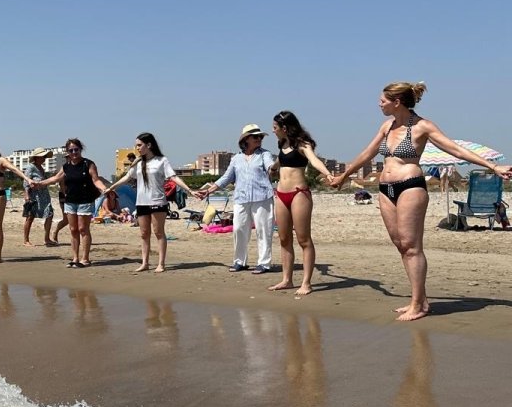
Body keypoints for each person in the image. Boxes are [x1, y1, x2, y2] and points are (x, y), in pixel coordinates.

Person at [329, 82, 512, 321]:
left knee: (412, 245)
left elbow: (455, 150)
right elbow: (367, 153)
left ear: (397, 102)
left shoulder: (422, 126)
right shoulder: (387, 126)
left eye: (382, 100)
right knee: (400, 244)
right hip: (386, 189)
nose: (379, 103)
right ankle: (420, 299)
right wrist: (343, 176)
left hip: (410, 187)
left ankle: (418, 303)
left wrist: (492, 166)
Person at [105, 133, 195, 272]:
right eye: (136, 146)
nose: (137, 148)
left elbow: (173, 177)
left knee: (159, 232)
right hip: (141, 202)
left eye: (139, 145)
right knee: (144, 233)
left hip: (158, 201)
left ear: (149, 145)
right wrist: (111, 187)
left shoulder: (161, 161)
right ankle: (145, 263)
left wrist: (189, 190)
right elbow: (128, 177)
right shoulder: (138, 163)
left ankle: (161, 264)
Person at [266, 111, 334, 296]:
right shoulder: (283, 144)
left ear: (285, 128)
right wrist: (272, 168)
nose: (273, 131)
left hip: (299, 194)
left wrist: (327, 174)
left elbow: (314, 160)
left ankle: (306, 283)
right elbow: (280, 161)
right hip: (281, 194)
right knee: (284, 238)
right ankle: (287, 280)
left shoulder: (302, 145)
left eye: (275, 128)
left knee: (304, 239)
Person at [195, 124, 277, 274]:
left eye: (260, 137)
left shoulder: (265, 154)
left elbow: (271, 167)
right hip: (241, 198)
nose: (259, 139)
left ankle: (264, 263)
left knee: (263, 230)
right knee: (239, 229)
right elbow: (226, 178)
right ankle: (240, 261)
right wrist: (208, 191)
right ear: (246, 139)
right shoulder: (236, 158)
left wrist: (275, 167)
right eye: (255, 136)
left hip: (263, 197)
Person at [34, 138, 113, 268]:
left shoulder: (88, 164)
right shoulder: (66, 166)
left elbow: (96, 180)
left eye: (76, 149)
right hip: (70, 201)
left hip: (85, 200)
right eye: (71, 150)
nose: (74, 152)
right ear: (67, 152)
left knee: (83, 229)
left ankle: (85, 258)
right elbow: (55, 178)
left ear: (80, 150)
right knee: (73, 229)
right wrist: (40, 184)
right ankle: (75, 258)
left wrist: (104, 188)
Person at [20, 148, 55, 246]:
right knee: (30, 217)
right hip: (34, 195)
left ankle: (47, 238)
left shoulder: (41, 167)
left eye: (45, 156)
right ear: (36, 157)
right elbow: (26, 181)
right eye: (42, 156)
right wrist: (27, 195)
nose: (44, 158)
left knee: (50, 214)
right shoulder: (31, 167)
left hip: (44, 195)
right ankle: (26, 240)